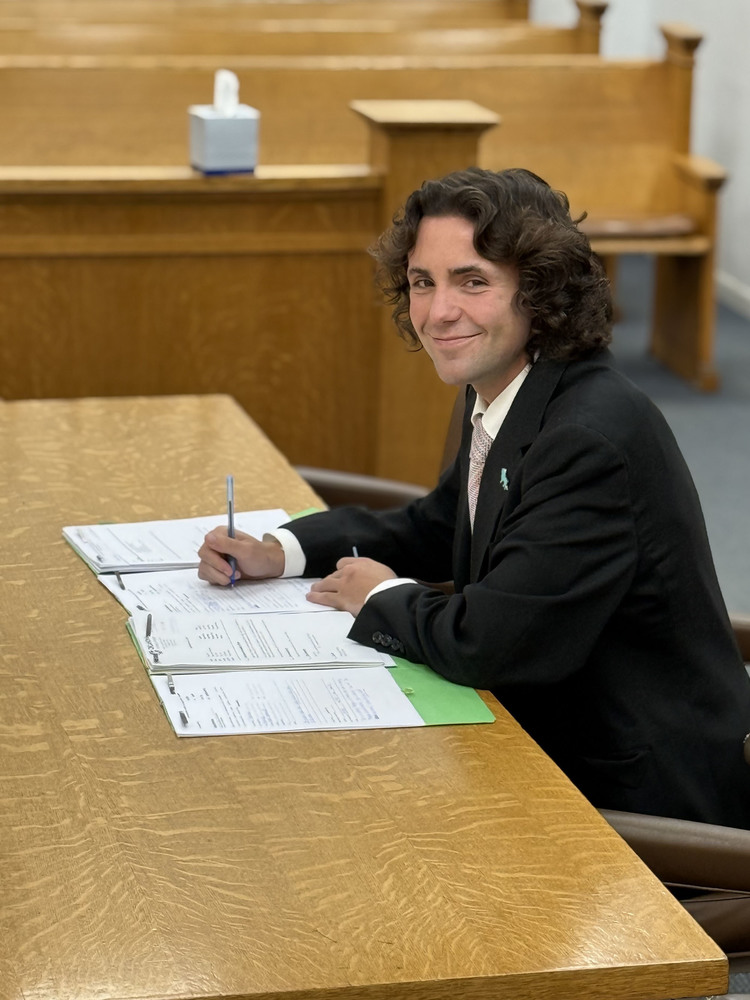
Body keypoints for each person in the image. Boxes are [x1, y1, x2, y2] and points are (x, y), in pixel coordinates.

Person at [198, 166, 750, 827]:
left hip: (634, 802)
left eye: (473, 282)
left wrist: (376, 598)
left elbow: (488, 644)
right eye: (422, 283)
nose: (438, 313)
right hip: (546, 737)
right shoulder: (510, 385)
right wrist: (282, 552)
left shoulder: (591, 438)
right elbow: (438, 525)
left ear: (540, 293)